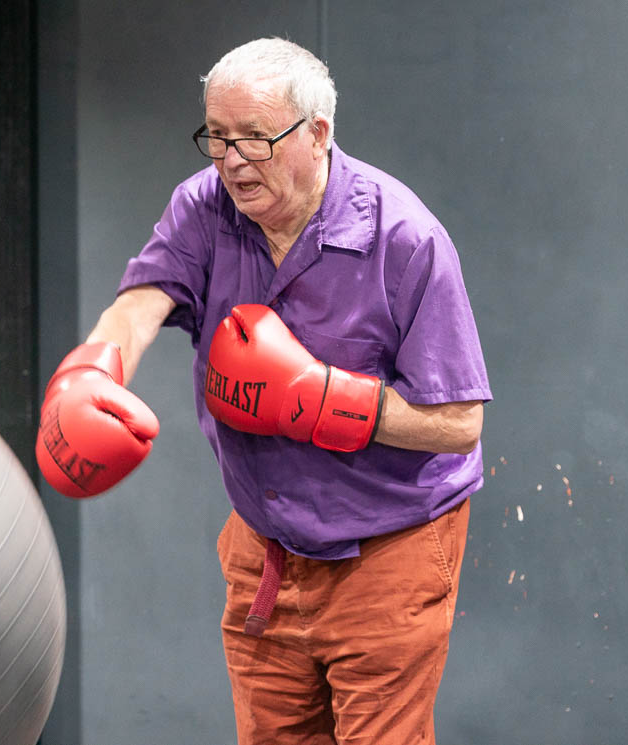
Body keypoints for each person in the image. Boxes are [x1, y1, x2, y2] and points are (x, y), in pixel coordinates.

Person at [36, 37, 492, 745]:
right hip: (266, 547)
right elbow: (142, 302)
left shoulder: (404, 240)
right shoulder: (206, 206)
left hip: (388, 549)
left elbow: (460, 422)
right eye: (216, 138)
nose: (232, 161)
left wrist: (320, 397)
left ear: (318, 133)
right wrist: (92, 368)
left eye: (255, 138)